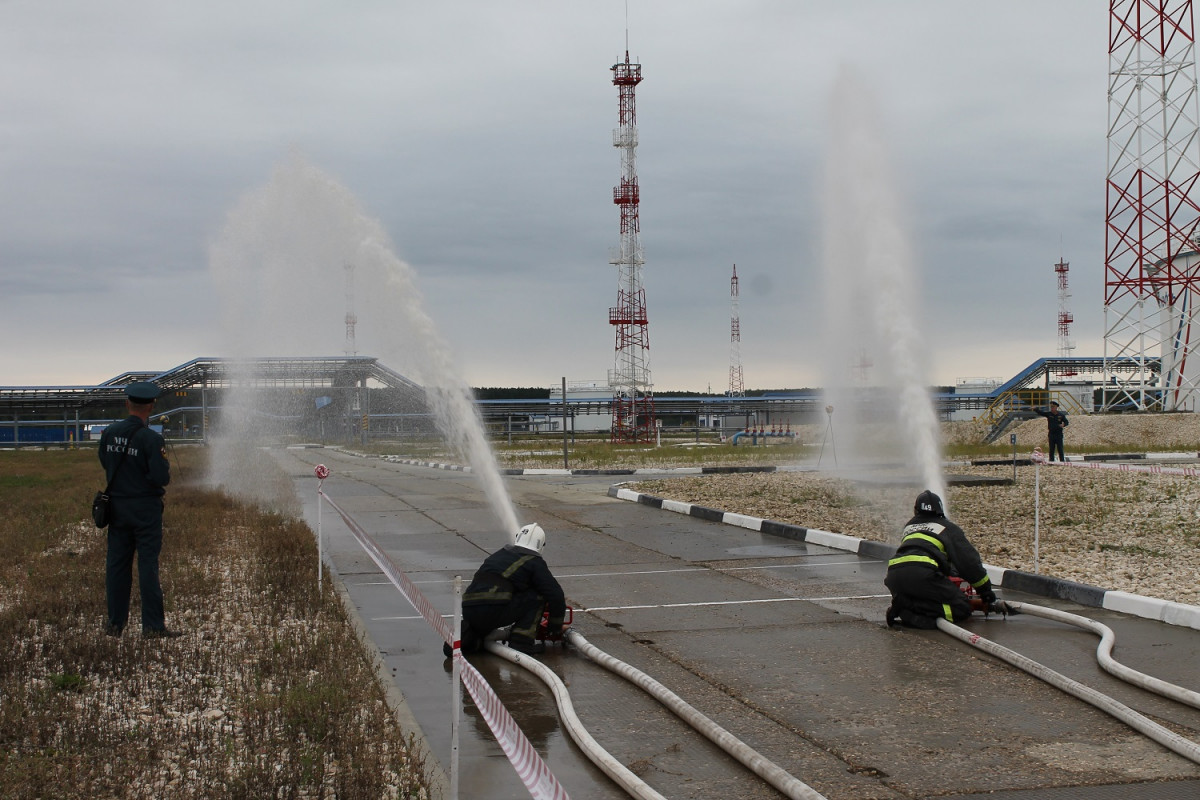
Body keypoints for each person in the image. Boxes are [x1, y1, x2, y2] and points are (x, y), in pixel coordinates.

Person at [98, 381, 180, 639]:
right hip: (145, 510)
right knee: (147, 566)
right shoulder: (151, 439)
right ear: (152, 406)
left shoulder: (109, 433)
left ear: (127, 404)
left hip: (118, 509)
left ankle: (115, 624)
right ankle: (153, 626)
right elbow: (160, 477)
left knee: (117, 566)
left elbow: (105, 462)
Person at [884, 490, 1005, 630]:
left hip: (894, 575)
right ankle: (907, 611)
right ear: (940, 509)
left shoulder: (909, 527)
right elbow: (969, 563)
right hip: (923, 573)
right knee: (961, 609)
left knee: (925, 597)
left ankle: (904, 606)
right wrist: (985, 591)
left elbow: (921, 553)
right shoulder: (948, 528)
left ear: (916, 510)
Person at [448, 523, 566, 656]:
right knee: (538, 596)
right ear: (541, 545)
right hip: (492, 610)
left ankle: (469, 640)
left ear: (518, 537)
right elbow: (556, 595)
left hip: (470, 610)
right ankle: (521, 643)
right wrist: (554, 628)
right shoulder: (534, 562)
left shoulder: (500, 554)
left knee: (484, 621)